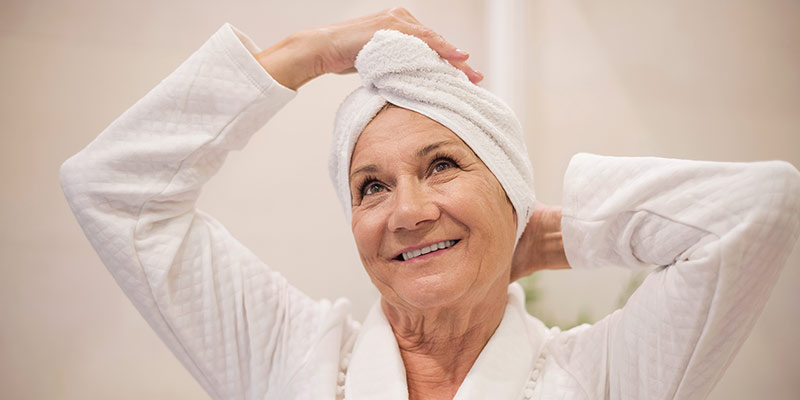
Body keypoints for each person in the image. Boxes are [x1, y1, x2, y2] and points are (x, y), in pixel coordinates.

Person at [60, 8, 800, 400]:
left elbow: (759, 207)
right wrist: (309, 52)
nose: (405, 211)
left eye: (441, 165)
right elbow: (112, 189)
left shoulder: (598, 378)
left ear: (509, 192)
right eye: (370, 186)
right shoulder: (295, 360)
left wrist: (553, 237)